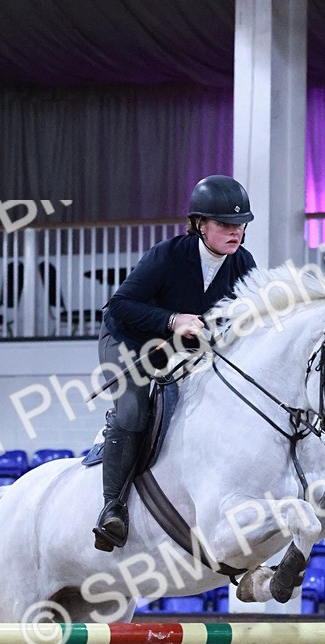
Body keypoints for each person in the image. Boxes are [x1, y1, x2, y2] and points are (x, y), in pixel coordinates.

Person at [93, 174, 257, 551]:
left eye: (241, 225)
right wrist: (172, 320)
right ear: (200, 224)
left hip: (185, 350)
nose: (235, 232)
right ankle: (112, 509)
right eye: (225, 224)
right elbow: (119, 305)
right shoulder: (168, 255)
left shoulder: (244, 264)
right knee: (133, 409)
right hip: (129, 339)